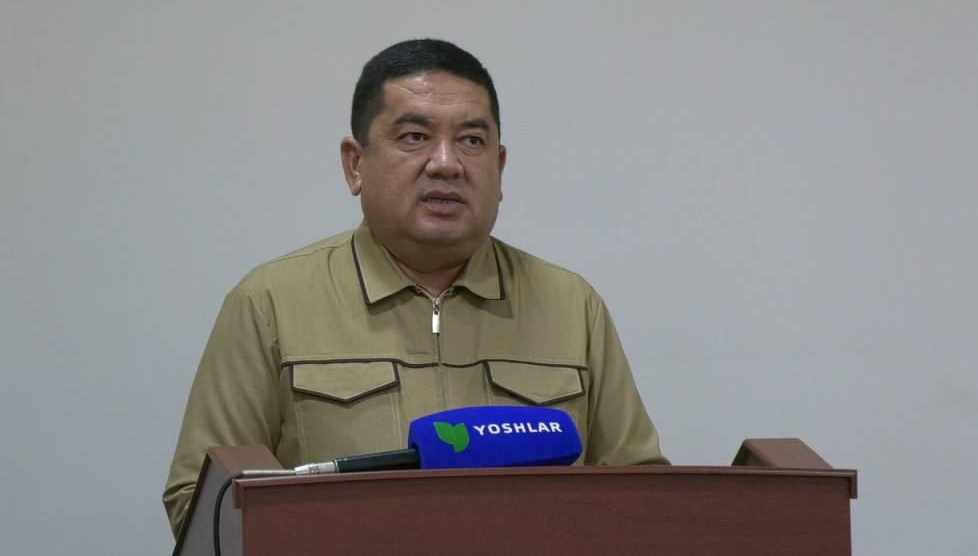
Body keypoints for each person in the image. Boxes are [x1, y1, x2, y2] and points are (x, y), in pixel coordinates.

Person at [163, 38, 666, 538]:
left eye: (472, 141)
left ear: (499, 167)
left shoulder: (572, 306)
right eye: (414, 137)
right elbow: (204, 507)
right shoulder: (270, 302)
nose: (446, 163)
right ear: (355, 164)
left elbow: (648, 500)